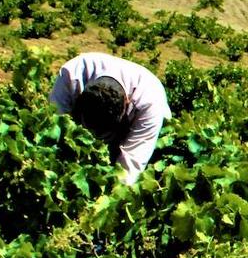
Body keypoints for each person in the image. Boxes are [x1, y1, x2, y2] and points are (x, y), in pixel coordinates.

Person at [49, 52, 171, 185]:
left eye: (102, 133)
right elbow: (55, 125)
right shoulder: (71, 75)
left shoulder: (150, 103)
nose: (97, 137)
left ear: (127, 102)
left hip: (144, 115)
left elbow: (130, 167)